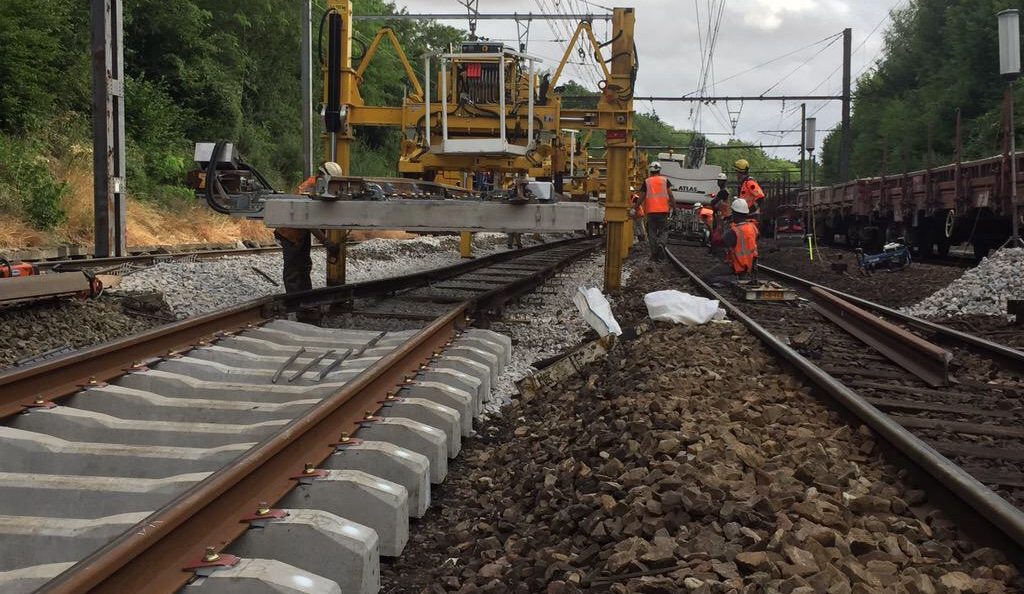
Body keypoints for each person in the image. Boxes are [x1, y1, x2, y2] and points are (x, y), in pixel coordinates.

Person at [275, 162, 343, 293]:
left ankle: (306, 299)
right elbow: (307, 220)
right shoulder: (307, 189)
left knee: (304, 265)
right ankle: (295, 302)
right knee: (293, 268)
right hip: (290, 233)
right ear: (322, 175)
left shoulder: (319, 186)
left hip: (301, 233)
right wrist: (326, 242)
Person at [640, 162, 674, 261]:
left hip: (651, 212)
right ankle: (661, 244)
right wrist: (674, 208)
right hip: (663, 211)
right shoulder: (665, 181)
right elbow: (671, 196)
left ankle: (654, 254)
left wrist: (635, 207)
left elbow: (641, 197)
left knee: (652, 233)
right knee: (664, 230)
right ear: (660, 170)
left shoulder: (647, 182)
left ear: (651, 171)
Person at [723, 197, 759, 280]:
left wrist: (721, 226)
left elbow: (721, 242)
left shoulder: (733, 231)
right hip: (751, 267)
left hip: (737, 268)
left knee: (707, 277)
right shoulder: (753, 227)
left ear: (734, 213)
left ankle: (734, 280)